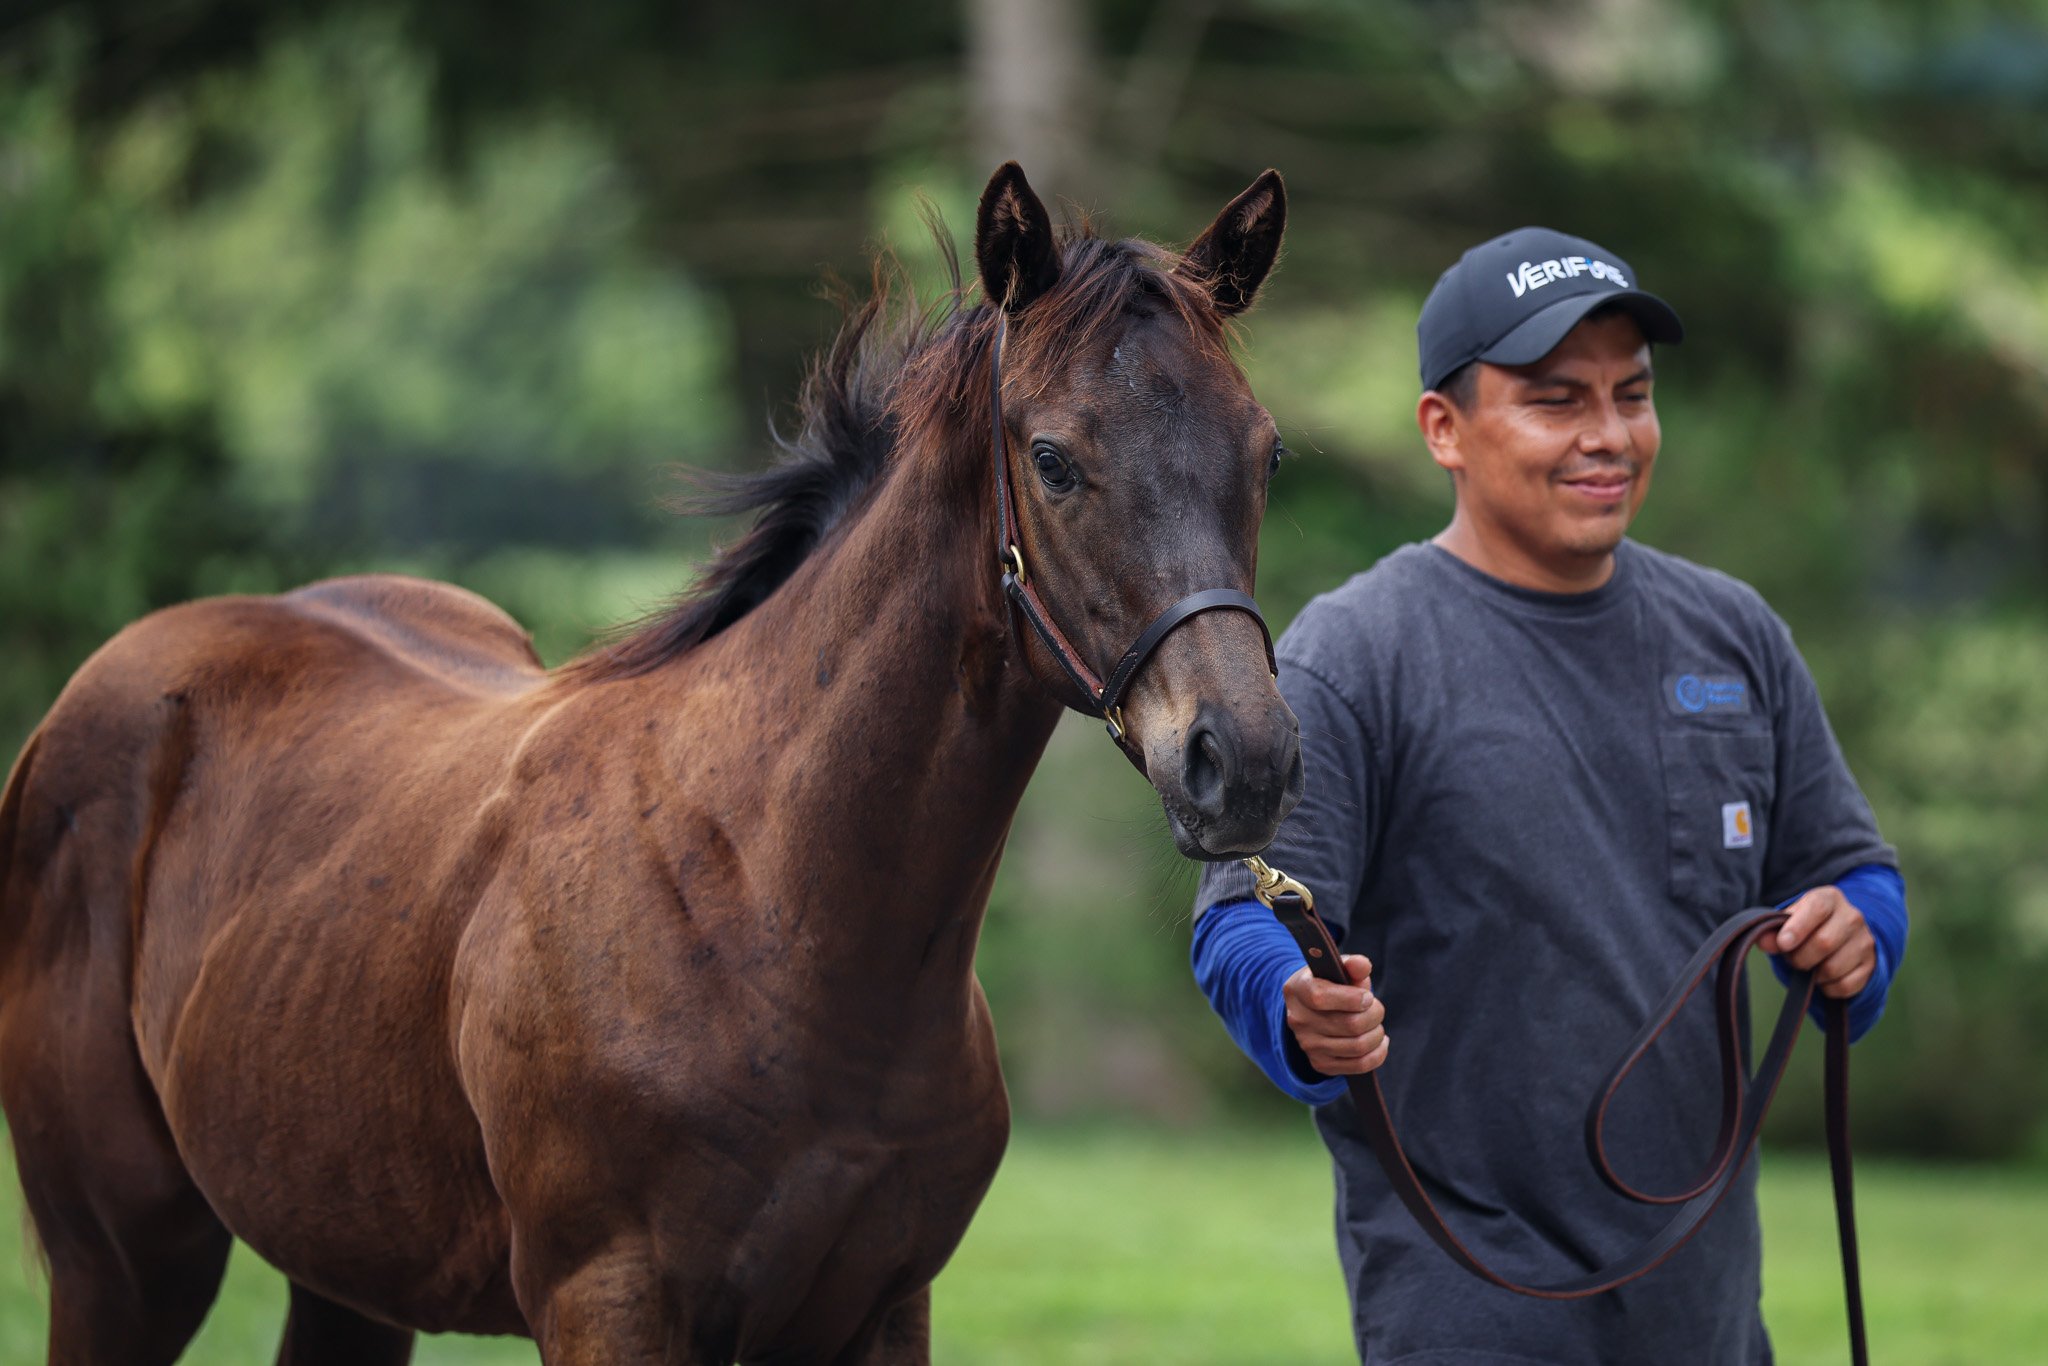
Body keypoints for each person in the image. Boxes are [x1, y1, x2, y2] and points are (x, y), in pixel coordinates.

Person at [1191, 226, 1908, 1365]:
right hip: (1464, 1299)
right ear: (1444, 429)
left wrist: (1858, 932)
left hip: (1706, 1313)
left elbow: (1852, 870)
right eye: (1555, 400)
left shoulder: (1734, 636)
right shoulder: (1353, 652)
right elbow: (1235, 916)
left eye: (1631, 394)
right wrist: (1292, 1004)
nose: (1608, 436)